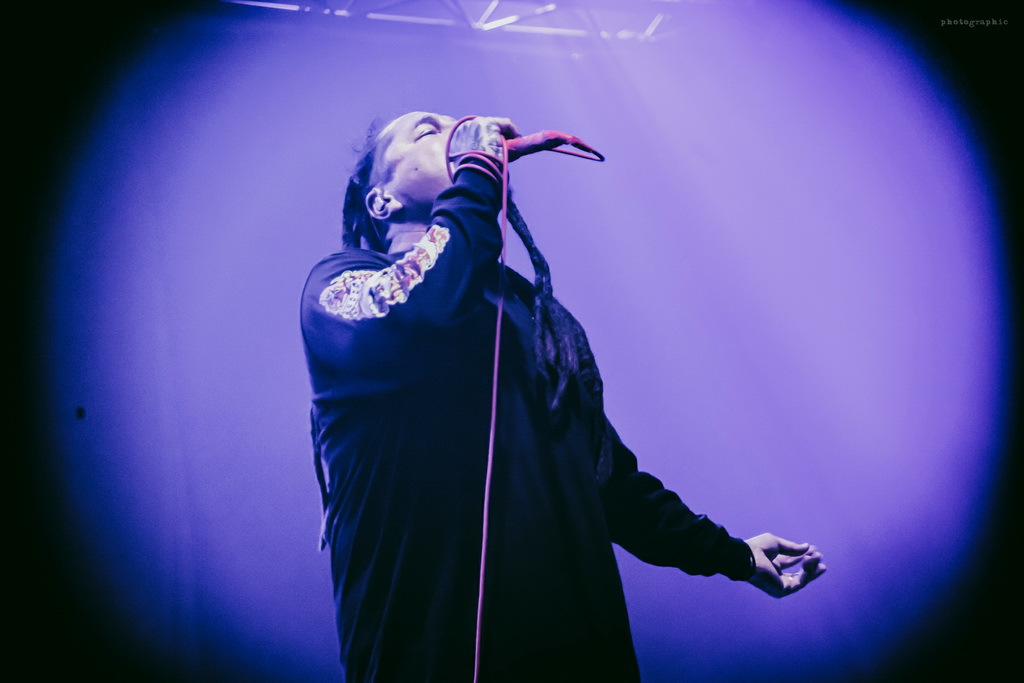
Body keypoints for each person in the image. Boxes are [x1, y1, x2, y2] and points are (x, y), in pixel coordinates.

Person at [300, 112, 826, 682]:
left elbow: (607, 481)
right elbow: (424, 310)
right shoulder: (340, 286)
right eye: (429, 131)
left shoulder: (533, 314)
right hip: (428, 656)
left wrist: (734, 555)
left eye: (462, 128)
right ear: (381, 202)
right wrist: (477, 168)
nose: (461, 132)